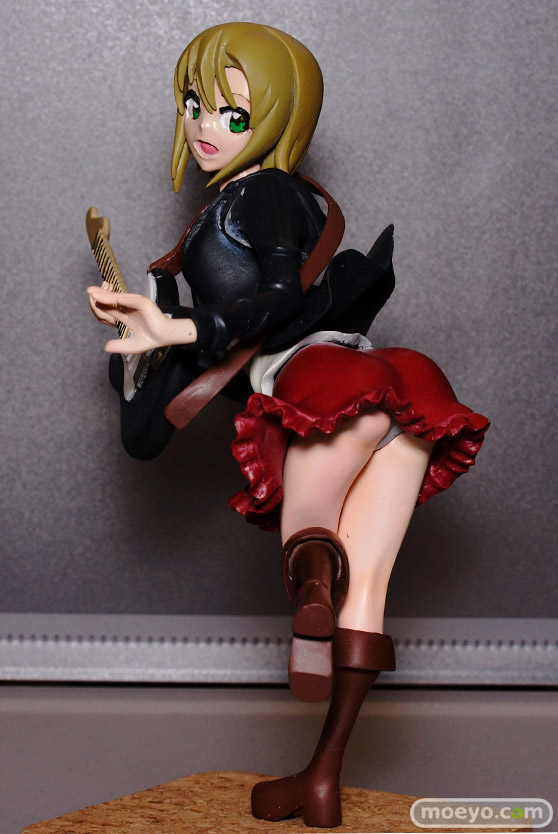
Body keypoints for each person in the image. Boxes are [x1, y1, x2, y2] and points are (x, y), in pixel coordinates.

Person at [88, 22, 489, 829]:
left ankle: (310, 584)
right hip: (399, 386)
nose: (205, 126)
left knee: (309, 536)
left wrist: (179, 328)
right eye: (195, 105)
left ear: (279, 117)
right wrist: (152, 322)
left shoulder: (261, 194)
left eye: (233, 114)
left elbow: (280, 299)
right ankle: (322, 776)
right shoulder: (273, 199)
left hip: (319, 380)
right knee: (367, 591)